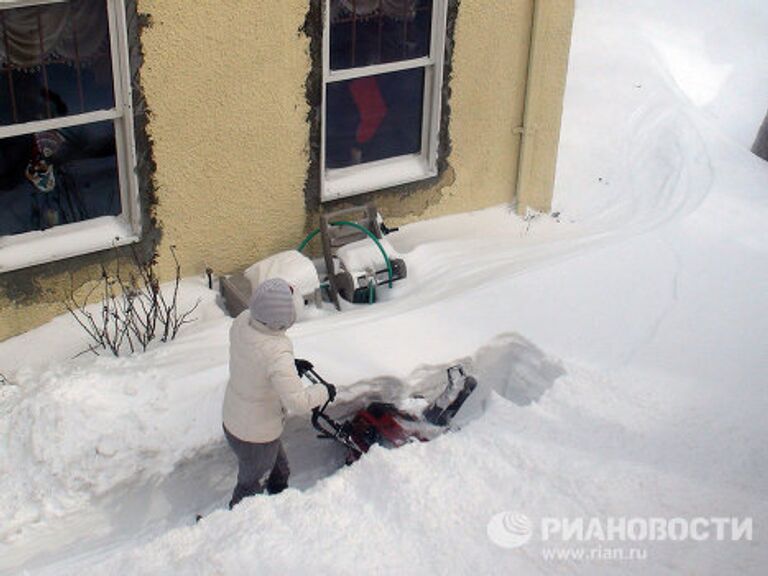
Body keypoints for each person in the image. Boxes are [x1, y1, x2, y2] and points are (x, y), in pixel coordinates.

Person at [222, 278, 335, 509]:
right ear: (283, 319)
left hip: (236, 418)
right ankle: (234, 523)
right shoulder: (276, 353)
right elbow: (299, 402)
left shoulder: (243, 321)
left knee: (280, 470)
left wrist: (288, 367)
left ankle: (279, 503)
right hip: (255, 436)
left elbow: (256, 357)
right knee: (250, 488)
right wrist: (324, 391)